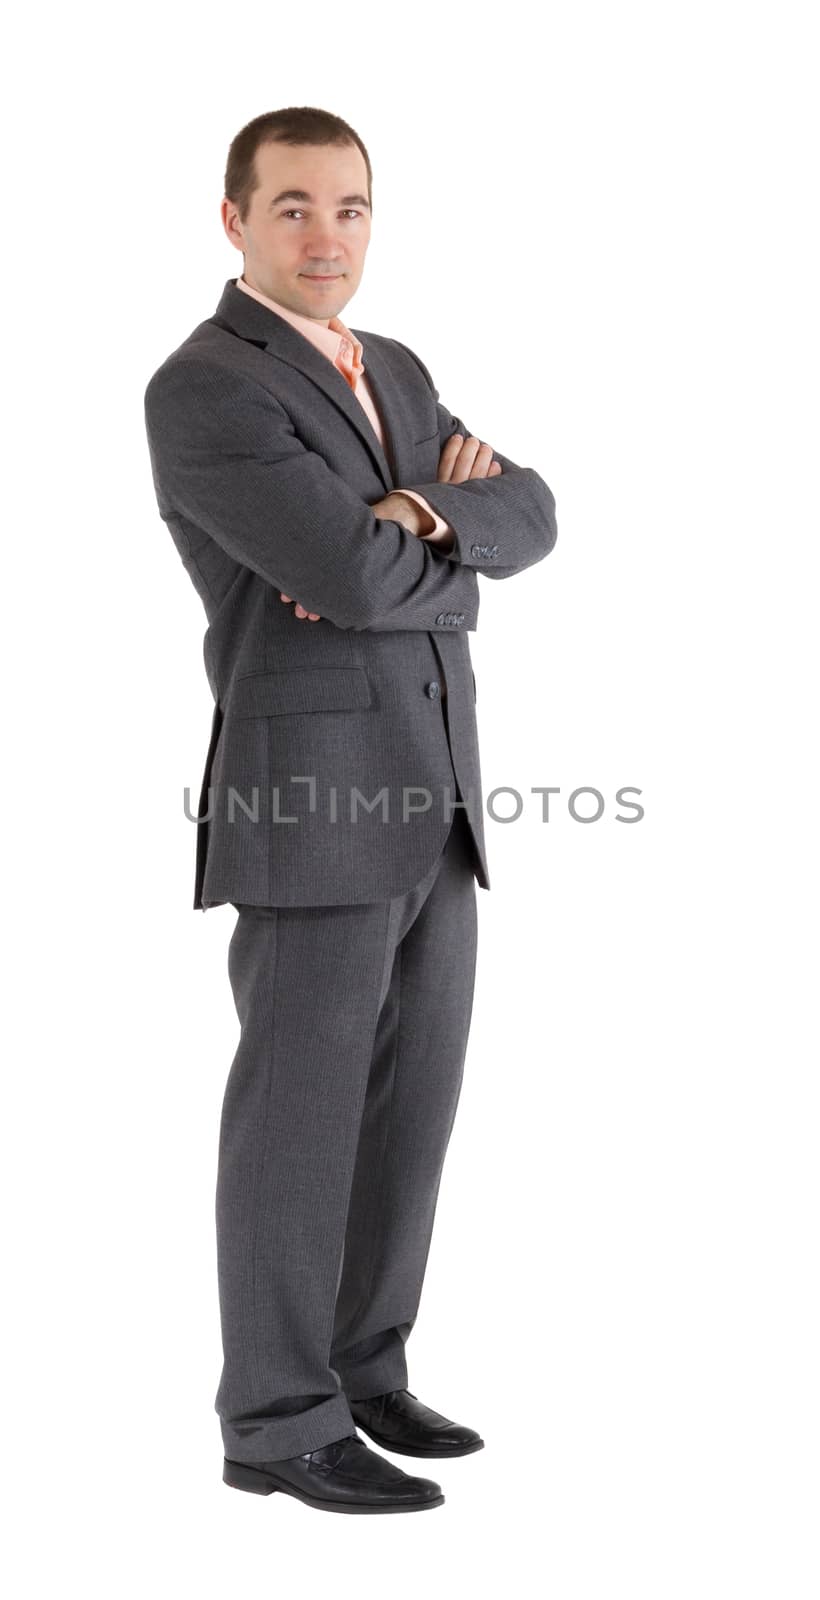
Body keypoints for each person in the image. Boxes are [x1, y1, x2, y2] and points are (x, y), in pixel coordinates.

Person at [143, 104, 557, 1515]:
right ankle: (273, 1416)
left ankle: (362, 1366)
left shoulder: (399, 367)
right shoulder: (207, 386)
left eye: (351, 207)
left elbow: (536, 512)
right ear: (235, 222)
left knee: (411, 1101)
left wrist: (423, 523)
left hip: (435, 785)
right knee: (301, 1113)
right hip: (312, 793)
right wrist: (410, 543)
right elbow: (351, 576)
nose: (328, 236)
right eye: (295, 208)